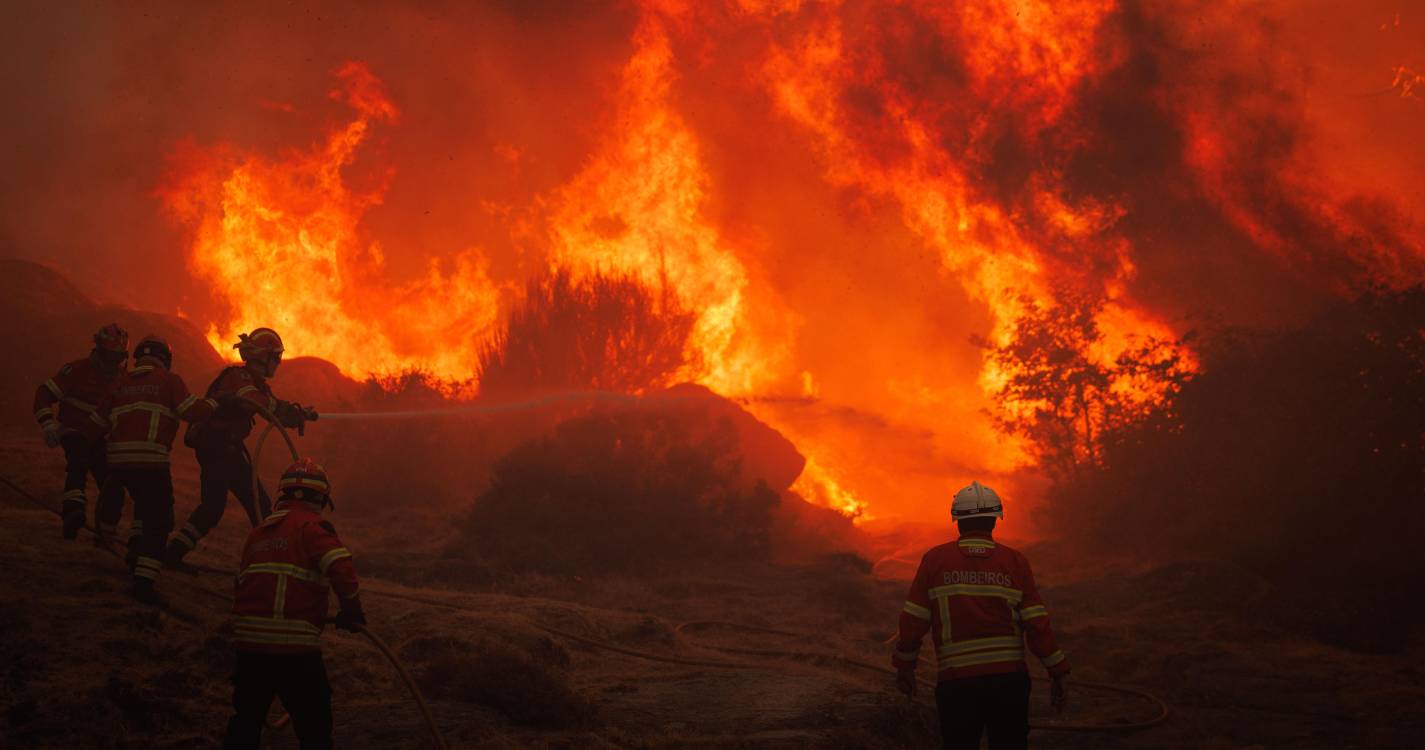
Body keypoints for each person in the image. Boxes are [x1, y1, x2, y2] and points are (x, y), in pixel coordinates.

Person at [892, 481, 1070, 750]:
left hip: (957, 683)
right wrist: (1056, 670)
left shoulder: (935, 560)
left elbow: (913, 620)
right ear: (995, 521)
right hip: (1009, 682)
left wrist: (905, 667)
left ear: (957, 520)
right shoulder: (1015, 561)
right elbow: (1036, 623)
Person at [222, 458, 364, 750]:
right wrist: (352, 611)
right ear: (320, 497)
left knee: (246, 720)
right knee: (314, 724)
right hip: (293, 649)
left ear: (283, 494)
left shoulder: (257, 534)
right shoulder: (312, 527)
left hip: (249, 646)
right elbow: (341, 568)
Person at [166, 327, 315, 567]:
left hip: (228, 450)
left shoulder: (254, 382)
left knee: (253, 507)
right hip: (217, 449)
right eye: (275, 357)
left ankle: (267, 562)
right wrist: (288, 412)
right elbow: (258, 404)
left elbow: (272, 406)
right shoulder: (240, 378)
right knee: (228, 507)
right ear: (263, 357)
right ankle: (175, 554)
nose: (278, 362)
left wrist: (298, 414)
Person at [94, 336, 216, 605]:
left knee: (143, 506)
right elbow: (191, 411)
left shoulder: (120, 383)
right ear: (165, 359)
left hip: (117, 462)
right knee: (159, 519)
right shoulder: (168, 380)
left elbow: (97, 421)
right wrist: (216, 403)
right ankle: (144, 583)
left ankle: (134, 556)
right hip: (150, 461)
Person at [33, 323, 129, 539]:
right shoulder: (77, 371)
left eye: (118, 358)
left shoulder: (123, 379)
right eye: (109, 357)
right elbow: (44, 394)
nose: (113, 364)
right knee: (78, 460)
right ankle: (73, 512)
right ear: (98, 350)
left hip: (101, 438)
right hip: (73, 431)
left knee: (113, 485)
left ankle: (106, 535)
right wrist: (48, 423)